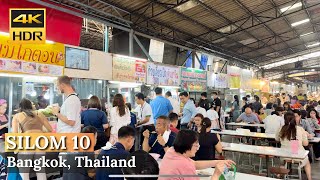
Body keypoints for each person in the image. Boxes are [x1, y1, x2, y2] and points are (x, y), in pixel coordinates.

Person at [159, 130, 235, 180]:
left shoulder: (171, 151)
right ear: (188, 145)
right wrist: (216, 175)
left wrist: (217, 162)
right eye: (196, 145)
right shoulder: (185, 165)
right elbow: (189, 165)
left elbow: (194, 164)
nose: (197, 148)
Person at [12, 98, 52, 180]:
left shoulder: (17, 116)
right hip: (40, 143)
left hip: (27, 143)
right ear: (30, 105)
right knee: (41, 170)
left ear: (20, 107)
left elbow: (15, 134)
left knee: (24, 172)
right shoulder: (40, 114)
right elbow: (50, 129)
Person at [275, 112, 312, 180]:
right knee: (307, 162)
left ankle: (279, 174)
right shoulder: (300, 129)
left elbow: (277, 139)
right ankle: (309, 178)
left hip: (284, 155)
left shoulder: (281, 128)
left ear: (284, 119)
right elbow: (305, 144)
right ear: (294, 119)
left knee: (283, 162)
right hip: (298, 155)